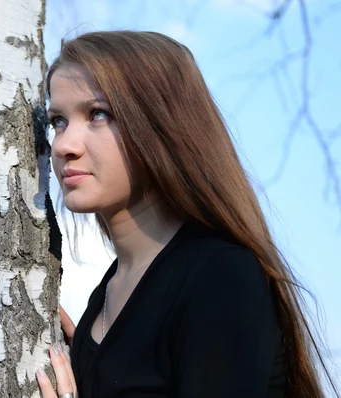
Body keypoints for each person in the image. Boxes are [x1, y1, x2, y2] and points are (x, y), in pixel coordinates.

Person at [35, 31, 338, 398]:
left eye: (98, 114)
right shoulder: (102, 301)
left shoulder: (220, 278)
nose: (64, 145)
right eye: (58, 121)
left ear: (162, 125)